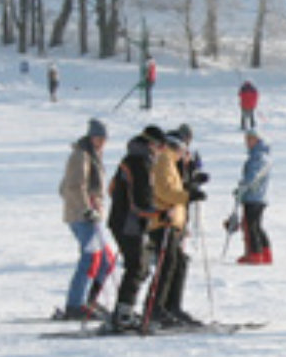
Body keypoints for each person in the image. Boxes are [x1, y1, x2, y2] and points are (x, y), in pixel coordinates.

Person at [58, 118, 117, 320]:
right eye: (98, 137)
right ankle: (75, 304)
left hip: (92, 215)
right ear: (90, 137)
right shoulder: (81, 155)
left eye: (104, 138)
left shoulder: (93, 155)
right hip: (81, 216)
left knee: (107, 260)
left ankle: (90, 300)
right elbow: (73, 186)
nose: (101, 142)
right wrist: (85, 209)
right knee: (90, 258)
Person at [146, 133, 206, 327]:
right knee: (167, 264)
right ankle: (156, 308)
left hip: (173, 222)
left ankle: (172, 306)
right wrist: (187, 196)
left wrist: (190, 190)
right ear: (177, 148)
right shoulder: (164, 160)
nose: (184, 155)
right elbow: (163, 191)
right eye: (183, 150)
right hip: (163, 221)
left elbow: (172, 189)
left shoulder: (170, 162)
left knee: (178, 263)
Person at [106, 126, 163, 330]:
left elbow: (112, 188)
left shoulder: (133, 158)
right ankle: (123, 314)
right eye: (160, 146)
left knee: (142, 266)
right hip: (129, 223)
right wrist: (160, 213)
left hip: (125, 221)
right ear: (152, 144)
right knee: (137, 266)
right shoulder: (140, 162)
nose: (161, 152)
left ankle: (125, 310)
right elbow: (140, 202)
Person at [235, 130, 273, 264]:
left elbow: (253, 176)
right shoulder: (259, 155)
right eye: (246, 140)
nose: (247, 143)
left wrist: (243, 186)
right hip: (256, 195)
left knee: (251, 225)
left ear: (257, 140)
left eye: (250, 139)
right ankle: (264, 252)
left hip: (254, 196)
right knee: (256, 225)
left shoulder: (259, 157)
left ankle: (256, 254)